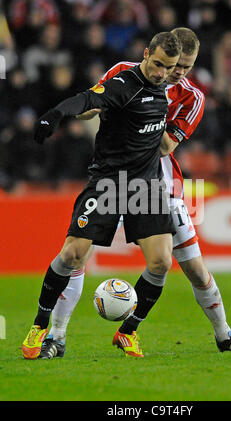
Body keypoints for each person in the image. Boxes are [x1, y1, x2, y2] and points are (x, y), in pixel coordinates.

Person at [39, 28, 231, 360]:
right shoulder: (123, 73)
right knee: (77, 255)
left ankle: (223, 334)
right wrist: (89, 106)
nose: (178, 74)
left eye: (186, 67)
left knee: (191, 268)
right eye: (175, 67)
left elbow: (166, 145)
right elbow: (95, 104)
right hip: (114, 175)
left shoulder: (192, 97)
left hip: (160, 186)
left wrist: (138, 110)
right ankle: (56, 337)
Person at [22, 31, 182, 359]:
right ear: (146, 53)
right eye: (157, 64)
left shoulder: (165, 88)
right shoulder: (126, 84)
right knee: (72, 254)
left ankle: (128, 331)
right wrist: (56, 113)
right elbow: (87, 99)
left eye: (169, 67)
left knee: (162, 261)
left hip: (146, 185)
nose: (161, 73)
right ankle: (40, 324)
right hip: (109, 182)